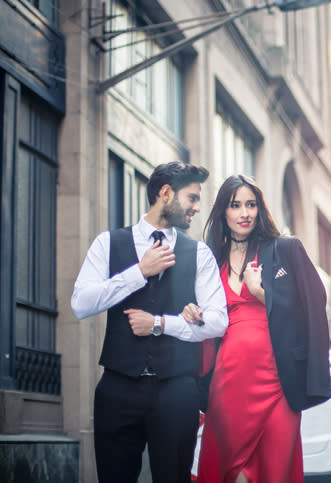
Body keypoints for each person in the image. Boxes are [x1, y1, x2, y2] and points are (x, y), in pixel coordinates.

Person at [71, 161, 228, 483]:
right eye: (192, 198)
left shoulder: (199, 253)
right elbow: (80, 304)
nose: (197, 207)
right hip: (118, 388)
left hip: (177, 391)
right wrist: (138, 273)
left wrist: (160, 323)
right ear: (166, 193)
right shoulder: (108, 243)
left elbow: (217, 322)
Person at [195, 174, 331, 483]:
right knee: (233, 475)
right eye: (235, 205)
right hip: (227, 386)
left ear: (260, 209)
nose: (244, 213)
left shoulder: (286, 250)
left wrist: (264, 296)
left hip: (278, 383)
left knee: (273, 472)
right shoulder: (209, 261)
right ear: (222, 211)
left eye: (251, 204)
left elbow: (312, 309)